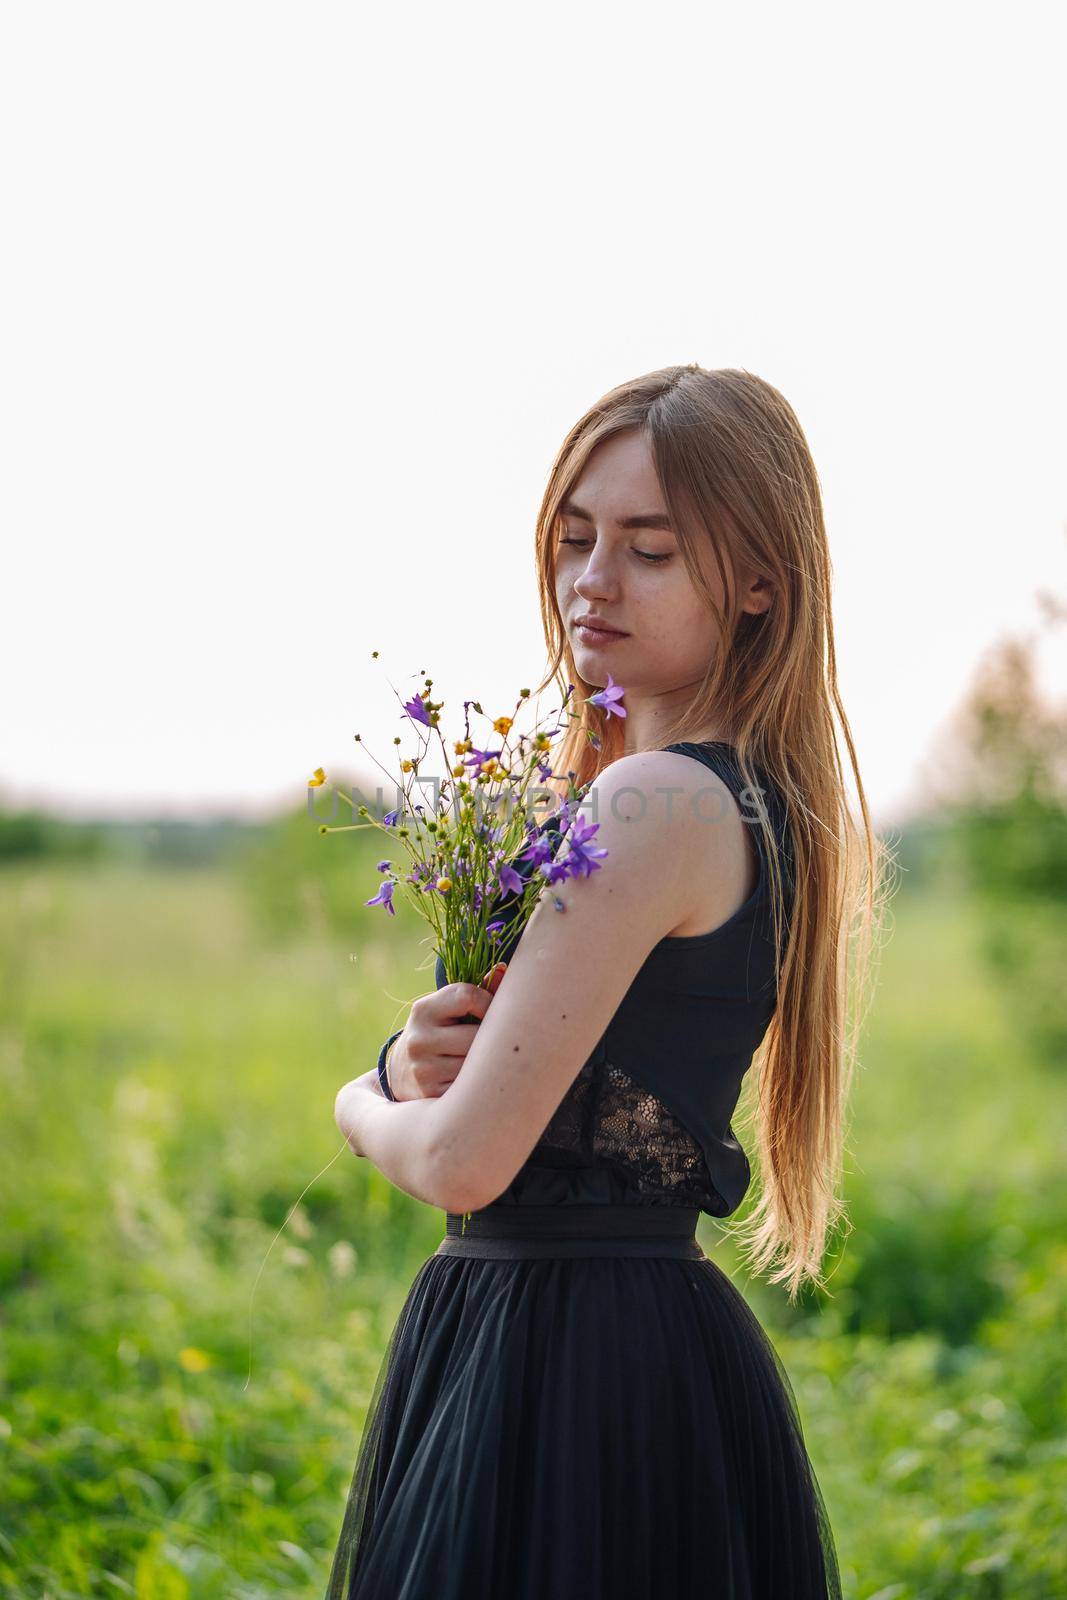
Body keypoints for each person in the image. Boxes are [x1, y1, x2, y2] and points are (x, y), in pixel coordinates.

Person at [328, 365, 891, 1599]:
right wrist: (431, 1052)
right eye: (575, 538)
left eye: (648, 548)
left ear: (756, 583)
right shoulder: (730, 797)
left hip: (567, 1361)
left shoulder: (654, 800)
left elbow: (463, 1164)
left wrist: (362, 1098)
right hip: (608, 1344)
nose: (593, 579)